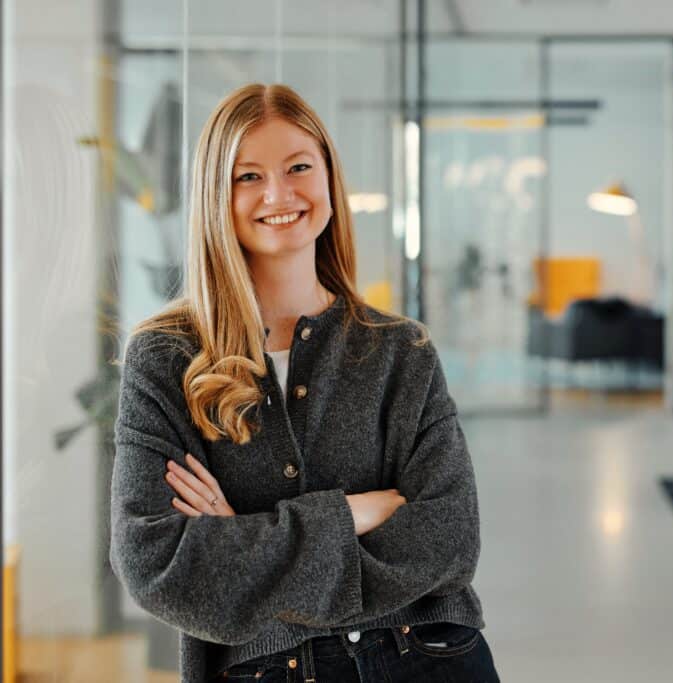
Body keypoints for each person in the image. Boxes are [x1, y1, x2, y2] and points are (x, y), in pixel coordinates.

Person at [109, 83, 499, 683]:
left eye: (298, 167)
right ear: (216, 194)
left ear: (328, 181)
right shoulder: (165, 357)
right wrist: (349, 515)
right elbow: (157, 567)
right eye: (247, 177)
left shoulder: (401, 350)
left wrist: (241, 537)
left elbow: (449, 537)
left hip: (428, 654)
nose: (278, 194)